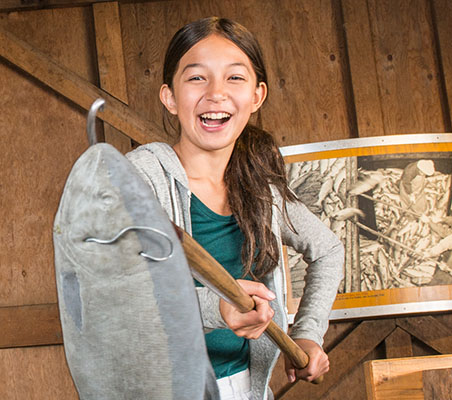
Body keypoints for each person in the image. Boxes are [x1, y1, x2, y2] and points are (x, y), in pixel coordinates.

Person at [126, 17, 344, 400]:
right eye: (196, 78)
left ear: (257, 96)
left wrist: (308, 334)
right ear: (170, 97)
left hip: (242, 386)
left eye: (234, 78)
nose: (216, 94)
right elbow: (121, 297)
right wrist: (218, 308)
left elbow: (328, 250)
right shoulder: (141, 177)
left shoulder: (259, 189)